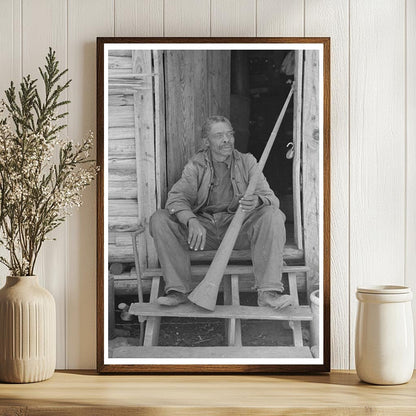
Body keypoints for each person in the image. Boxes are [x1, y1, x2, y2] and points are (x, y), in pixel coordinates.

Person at [149, 116, 293, 310]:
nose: (227, 140)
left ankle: (268, 292)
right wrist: (191, 220)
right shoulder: (196, 165)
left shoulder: (248, 161)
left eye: (229, 134)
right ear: (206, 141)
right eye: (219, 135)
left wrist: (257, 201)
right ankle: (177, 291)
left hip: (238, 231)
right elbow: (176, 199)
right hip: (203, 233)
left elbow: (272, 199)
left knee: (273, 215)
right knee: (159, 218)